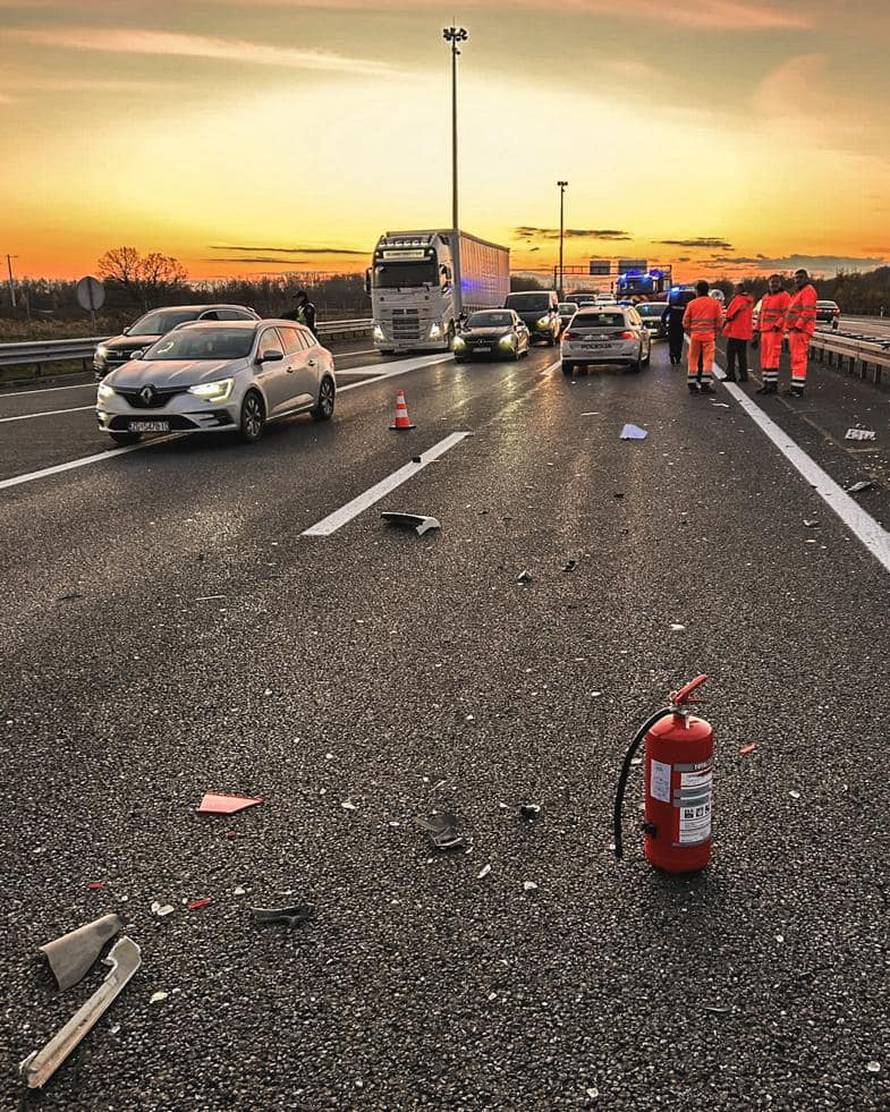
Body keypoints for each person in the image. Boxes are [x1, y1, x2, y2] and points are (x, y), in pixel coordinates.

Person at [682, 280, 723, 394]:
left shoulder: (692, 304)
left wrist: (689, 330)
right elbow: (719, 320)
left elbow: (686, 320)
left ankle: (692, 384)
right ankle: (705, 384)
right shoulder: (715, 303)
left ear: (698, 291)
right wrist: (717, 333)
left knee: (693, 359)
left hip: (695, 336)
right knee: (707, 360)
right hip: (709, 336)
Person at [753, 274, 791, 395]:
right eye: (772, 282)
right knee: (764, 359)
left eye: (776, 282)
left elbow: (787, 313)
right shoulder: (765, 297)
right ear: (768, 283)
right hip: (764, 332)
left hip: (774, 332)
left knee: (772, 358)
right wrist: (756, 331)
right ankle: (766, 383)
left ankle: (772, 385)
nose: (774, 284)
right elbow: (760, 316)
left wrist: (778, 325)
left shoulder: (784, 296)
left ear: (780, 284)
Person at [784, 268, 818, 397]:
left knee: (799, 359)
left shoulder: (808, 291)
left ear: (806, 278)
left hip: (800, 330)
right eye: (796, 278)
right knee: (796, 359)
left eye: (800, 278)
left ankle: (797, 389)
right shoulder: (800, 292)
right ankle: (795, 386)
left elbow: (807, 311)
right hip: (795, 330)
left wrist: (798, 326)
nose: (797, 280)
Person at [722, 282, 754, 382]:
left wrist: (724, 323)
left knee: (730, 355)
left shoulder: (738, 299)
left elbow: (730, 315)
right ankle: (744, 375)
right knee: (742, 355)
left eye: (735, 289)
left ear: (739, 290)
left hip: (735, 332)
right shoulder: (749, 300)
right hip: (744, 333)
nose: (734, 290)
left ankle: (731, 374)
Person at [662, 288, 688, 366]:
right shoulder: (685, 306)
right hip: (680, 326)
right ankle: (678, 357)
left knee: (672, 340)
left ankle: (672, 352)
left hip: (672, 325)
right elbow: (688, 316)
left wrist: (663, 323)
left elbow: (664, 314)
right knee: (679, 341)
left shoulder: (672, 305)